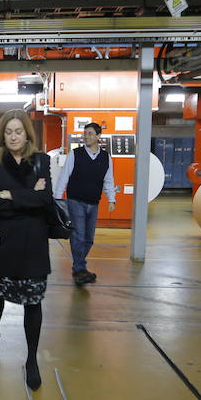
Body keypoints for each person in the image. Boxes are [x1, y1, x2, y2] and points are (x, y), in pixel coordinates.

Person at [0, 109, 52, 391]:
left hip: (33, 241)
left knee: (33, 301)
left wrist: (10, 194)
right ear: (2, 134)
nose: (13, 136)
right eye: (8, 132)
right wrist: (28, 196)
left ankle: (31, 357)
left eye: (18, 131)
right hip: (2, 240)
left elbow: (45, 199)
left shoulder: (41, 161)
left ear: (27, 133)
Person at [54, 122, 115, 285]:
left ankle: (78, 266)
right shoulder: (75, 154)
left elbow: (108, 180)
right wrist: (58, 199)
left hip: (94, 203)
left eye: (89, 133)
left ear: (98, 137)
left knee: (89, 239)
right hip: (75, 201)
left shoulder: (105, 157)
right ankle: (80, 269)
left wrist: (111, 198)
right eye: (85, 133)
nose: (85, 136)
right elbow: (64, 176)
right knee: (79, 236)